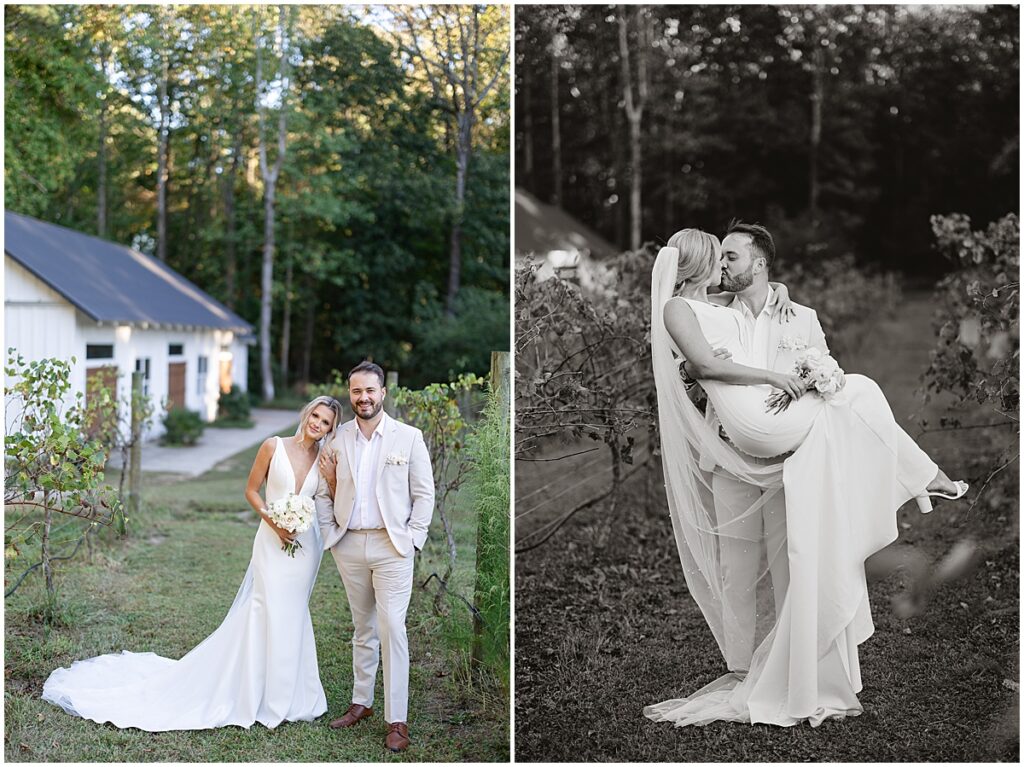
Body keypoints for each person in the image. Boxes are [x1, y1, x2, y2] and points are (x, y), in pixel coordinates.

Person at [644, 228, 968, 727]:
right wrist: (693, 370)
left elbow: (824, 369)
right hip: (729, 451)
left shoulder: (800, 316)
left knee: (789, 563)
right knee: (736, 568)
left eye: (733, 256)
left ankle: (793, 667)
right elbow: (695, 357)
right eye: (720, 256)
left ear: (761, 262)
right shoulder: (713, 308)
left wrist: (812, 368)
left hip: (787, 458)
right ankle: (740, 669)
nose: (725, 265)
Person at [42, 396, 343, 731]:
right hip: (271, 540)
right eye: (315, 415)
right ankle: (254, 692)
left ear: (331, 428)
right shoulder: (274, 446)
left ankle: (291, 694)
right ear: (307, 413)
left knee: (293, 613)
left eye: (326, 422)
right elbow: (251, 491)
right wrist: (273, 522)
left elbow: (327, 497)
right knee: (264, 608)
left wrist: (329, 479)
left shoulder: (323, 458)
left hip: (305, 546)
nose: (318, 423)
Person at [315, 361, 435, 753]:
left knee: (392, 629)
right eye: (356, 391)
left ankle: (396, 718)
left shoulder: (409, 437)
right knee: (362, 628)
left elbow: (424, 495)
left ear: (383, 392)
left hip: (392, 547)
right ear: (349, 394)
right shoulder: (338, 439)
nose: (363, 398)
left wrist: (414, 540)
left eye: (370, 390)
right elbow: (321, 491)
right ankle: (361, 703)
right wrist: (331, 533)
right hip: (349, 544)